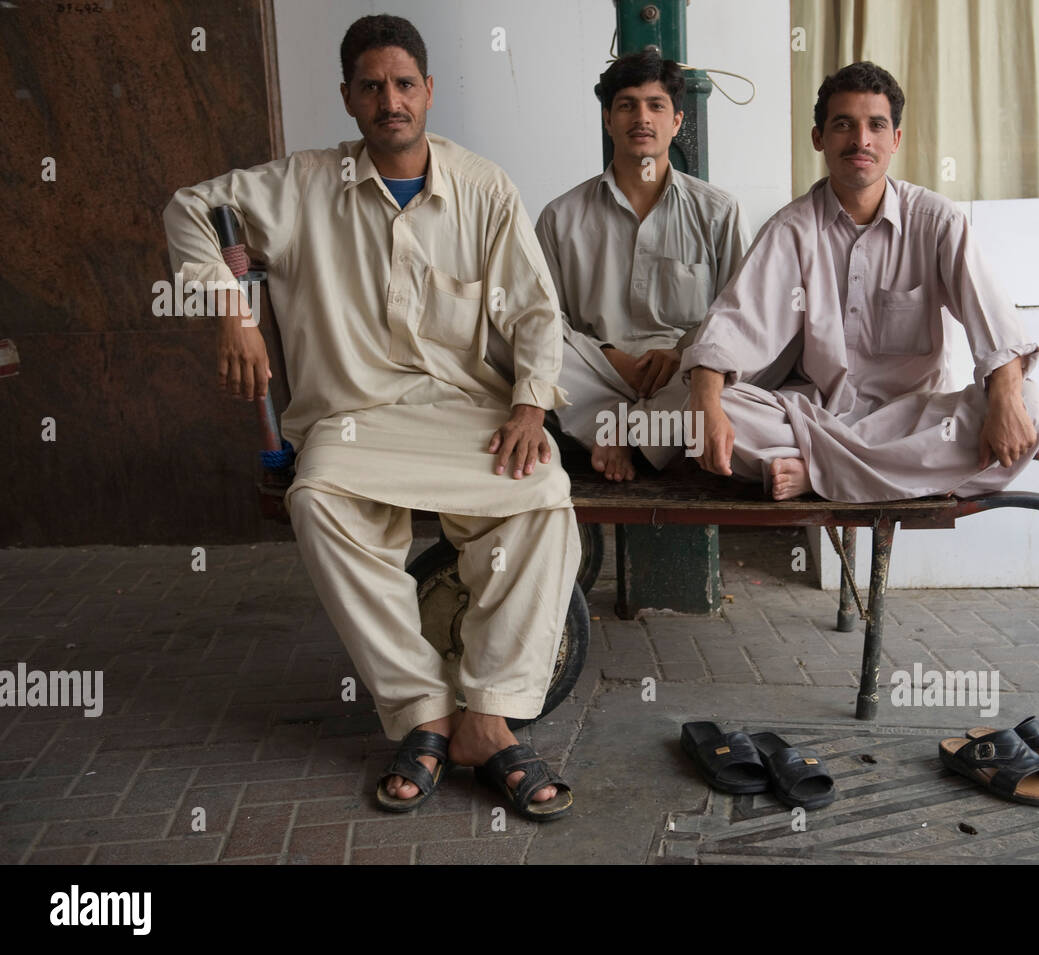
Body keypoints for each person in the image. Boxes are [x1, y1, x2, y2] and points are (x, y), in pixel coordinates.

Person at [162, 14, 578, 821]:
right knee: (315, 499)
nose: (390, 100)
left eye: (404, 84)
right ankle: (424, 710)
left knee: (546, 497)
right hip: (350, 420)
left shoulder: (483, 187)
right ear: (348, 99)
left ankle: (487, 717)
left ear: (427, 91)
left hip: (466, 413)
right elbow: (187, 209)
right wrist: (227, 305)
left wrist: (531, 404)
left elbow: (534, 308)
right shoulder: (300, 184)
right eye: (371, 86)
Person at [683, 61, 1039, 503]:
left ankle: (819, 475)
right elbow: (734, 326)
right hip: (817, 417)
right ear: (819, 138)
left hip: (911, 423)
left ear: (894, 139)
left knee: (1028, 403)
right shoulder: (792, 229)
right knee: (705, 410)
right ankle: (881, 477)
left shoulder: (936, 222)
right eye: (844, 125)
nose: (861, 140)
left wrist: (1006, 396)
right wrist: (705, 404)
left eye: (876, 125)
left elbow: (995, 324)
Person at [535, 52, 750, 481]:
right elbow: (541, 318)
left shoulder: (718, 211)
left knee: (728, 375)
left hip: (677, 378)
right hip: (594, 373)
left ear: (676, 122)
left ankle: (622, 435)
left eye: (656, 105)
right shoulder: (561, 216)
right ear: (608, 120)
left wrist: (678, 352)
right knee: (522, 342)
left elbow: (737, 316)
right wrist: (610, 357)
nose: (642, 117)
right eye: (627, 104)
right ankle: (638, 431)